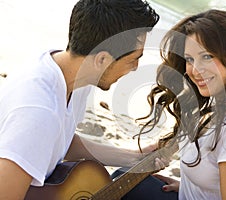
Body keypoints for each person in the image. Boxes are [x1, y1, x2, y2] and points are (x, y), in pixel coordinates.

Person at [0, 0, 162, 199]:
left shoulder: (70, 76)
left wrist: (135, 156)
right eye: (133, 59)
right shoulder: (38, 112)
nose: (136, 67)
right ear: (101, 60)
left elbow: (62, 141)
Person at [120, 9, 226, 200]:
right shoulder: (219, 110)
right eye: (190, 59)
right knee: (125, 182)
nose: (195, 69)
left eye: (206, 56)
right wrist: (188, 188)